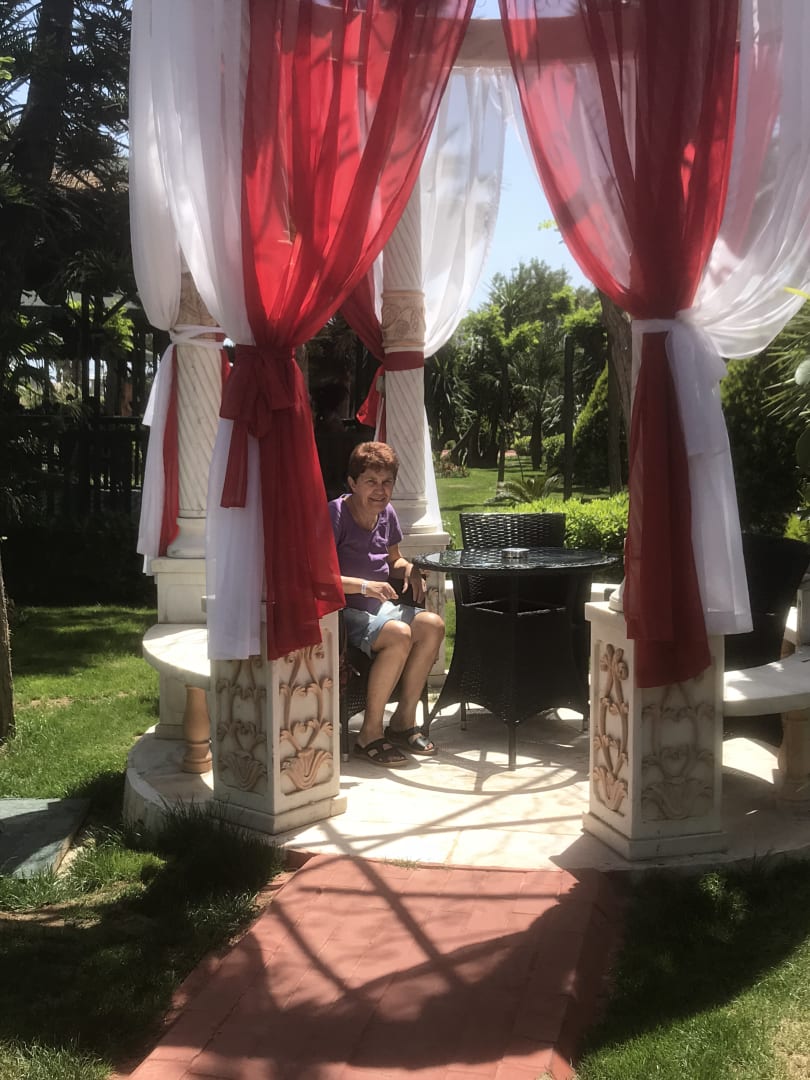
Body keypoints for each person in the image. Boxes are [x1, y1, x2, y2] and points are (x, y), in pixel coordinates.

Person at [329, 441, 445, 767]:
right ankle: (369, 733)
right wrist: (364, 586)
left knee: (433, 625)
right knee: (399, 634)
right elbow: (320, 577)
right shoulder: (335, 514)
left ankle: (403, 722)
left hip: (380, 609)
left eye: (387, 482)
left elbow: (393, 559)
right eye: (371, 481)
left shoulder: (386, 514)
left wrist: (408, 569)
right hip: (343, 611)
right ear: (352, 483)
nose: (380, 491)